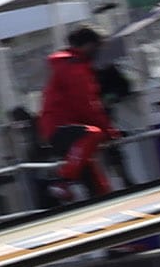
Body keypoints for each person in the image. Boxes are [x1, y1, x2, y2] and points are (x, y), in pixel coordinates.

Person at [36, 25, 118, 204]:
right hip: (61, 127)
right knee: (94, 134)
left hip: (61, 128)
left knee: (99, 186)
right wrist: (109, 130)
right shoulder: (74, 67)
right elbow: (86, 104)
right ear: (88, 45)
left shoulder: (68, 65)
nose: (99, 51)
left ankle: (95, 199)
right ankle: (64, 181)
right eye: (97, 46)